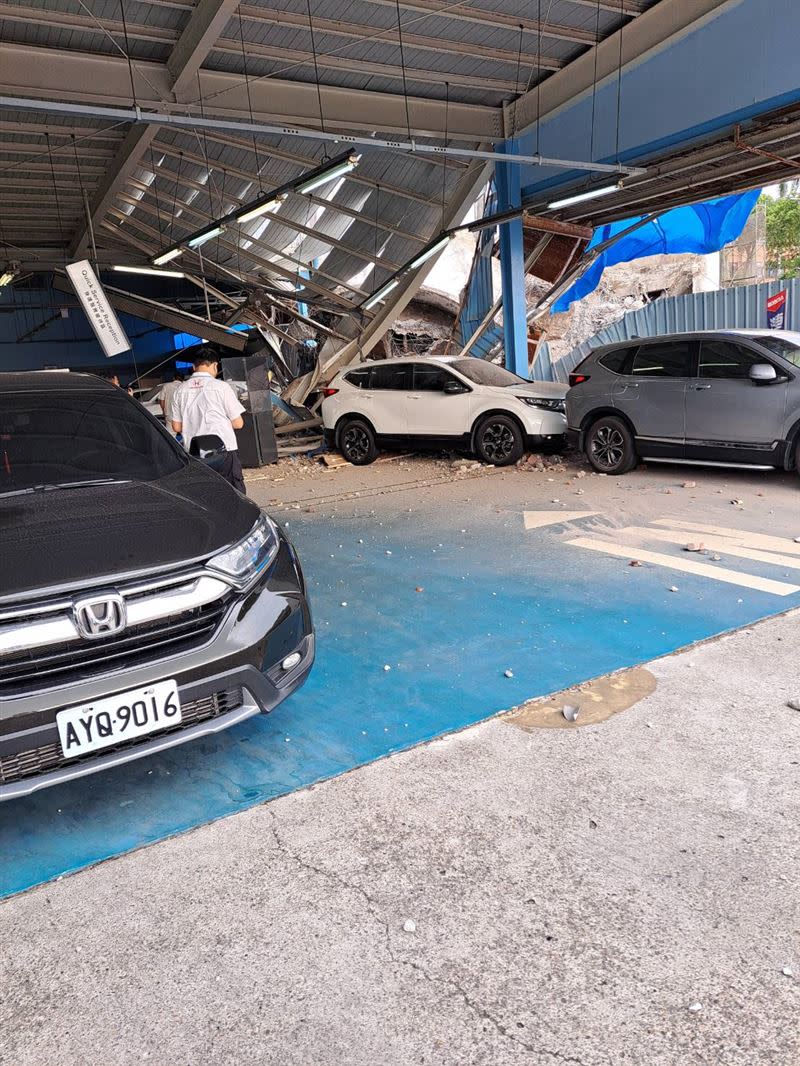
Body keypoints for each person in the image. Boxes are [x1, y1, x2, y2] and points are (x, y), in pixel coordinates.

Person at [170, 352, 246, 493]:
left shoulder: (179, 390)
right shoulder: (221, 387)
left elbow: (176, 426)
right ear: (215, 365)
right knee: (234, 493)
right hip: (224, 450)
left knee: (206, 494)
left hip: (195, 453)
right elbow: (238, 423)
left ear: (194, 367)